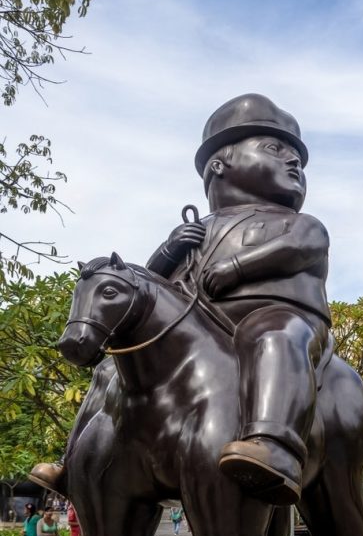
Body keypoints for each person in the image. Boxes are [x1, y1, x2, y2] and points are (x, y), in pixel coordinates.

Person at [29, 94, 331, 508]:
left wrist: (238, 268)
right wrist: (169, 252)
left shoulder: (298, 223)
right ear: (218, 166)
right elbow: (150, 287)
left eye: (297, 155)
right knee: (107, 372)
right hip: (205, 328)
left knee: (273, 337)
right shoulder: (196, 231)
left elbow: (302, 247)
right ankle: (73, 463)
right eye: (275, 149)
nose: (294, 161)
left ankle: (273, 443)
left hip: (277, 317)